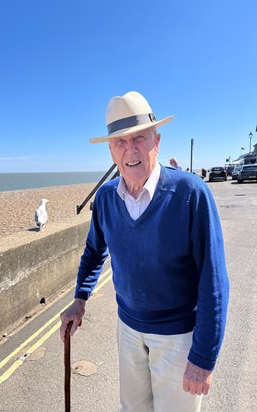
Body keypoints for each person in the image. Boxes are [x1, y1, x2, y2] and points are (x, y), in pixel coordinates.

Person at [60, 91, 229, 412]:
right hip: (128, 329)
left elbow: (214, 282)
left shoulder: (191, 194)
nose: (130, 149)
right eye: (120, 142)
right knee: (132, 409)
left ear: (157, 141)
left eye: (139, 138)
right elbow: (94, 251)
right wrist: (79, 300)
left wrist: (203, 359)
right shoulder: (107, 198)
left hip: (179, 336)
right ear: (111, 151)